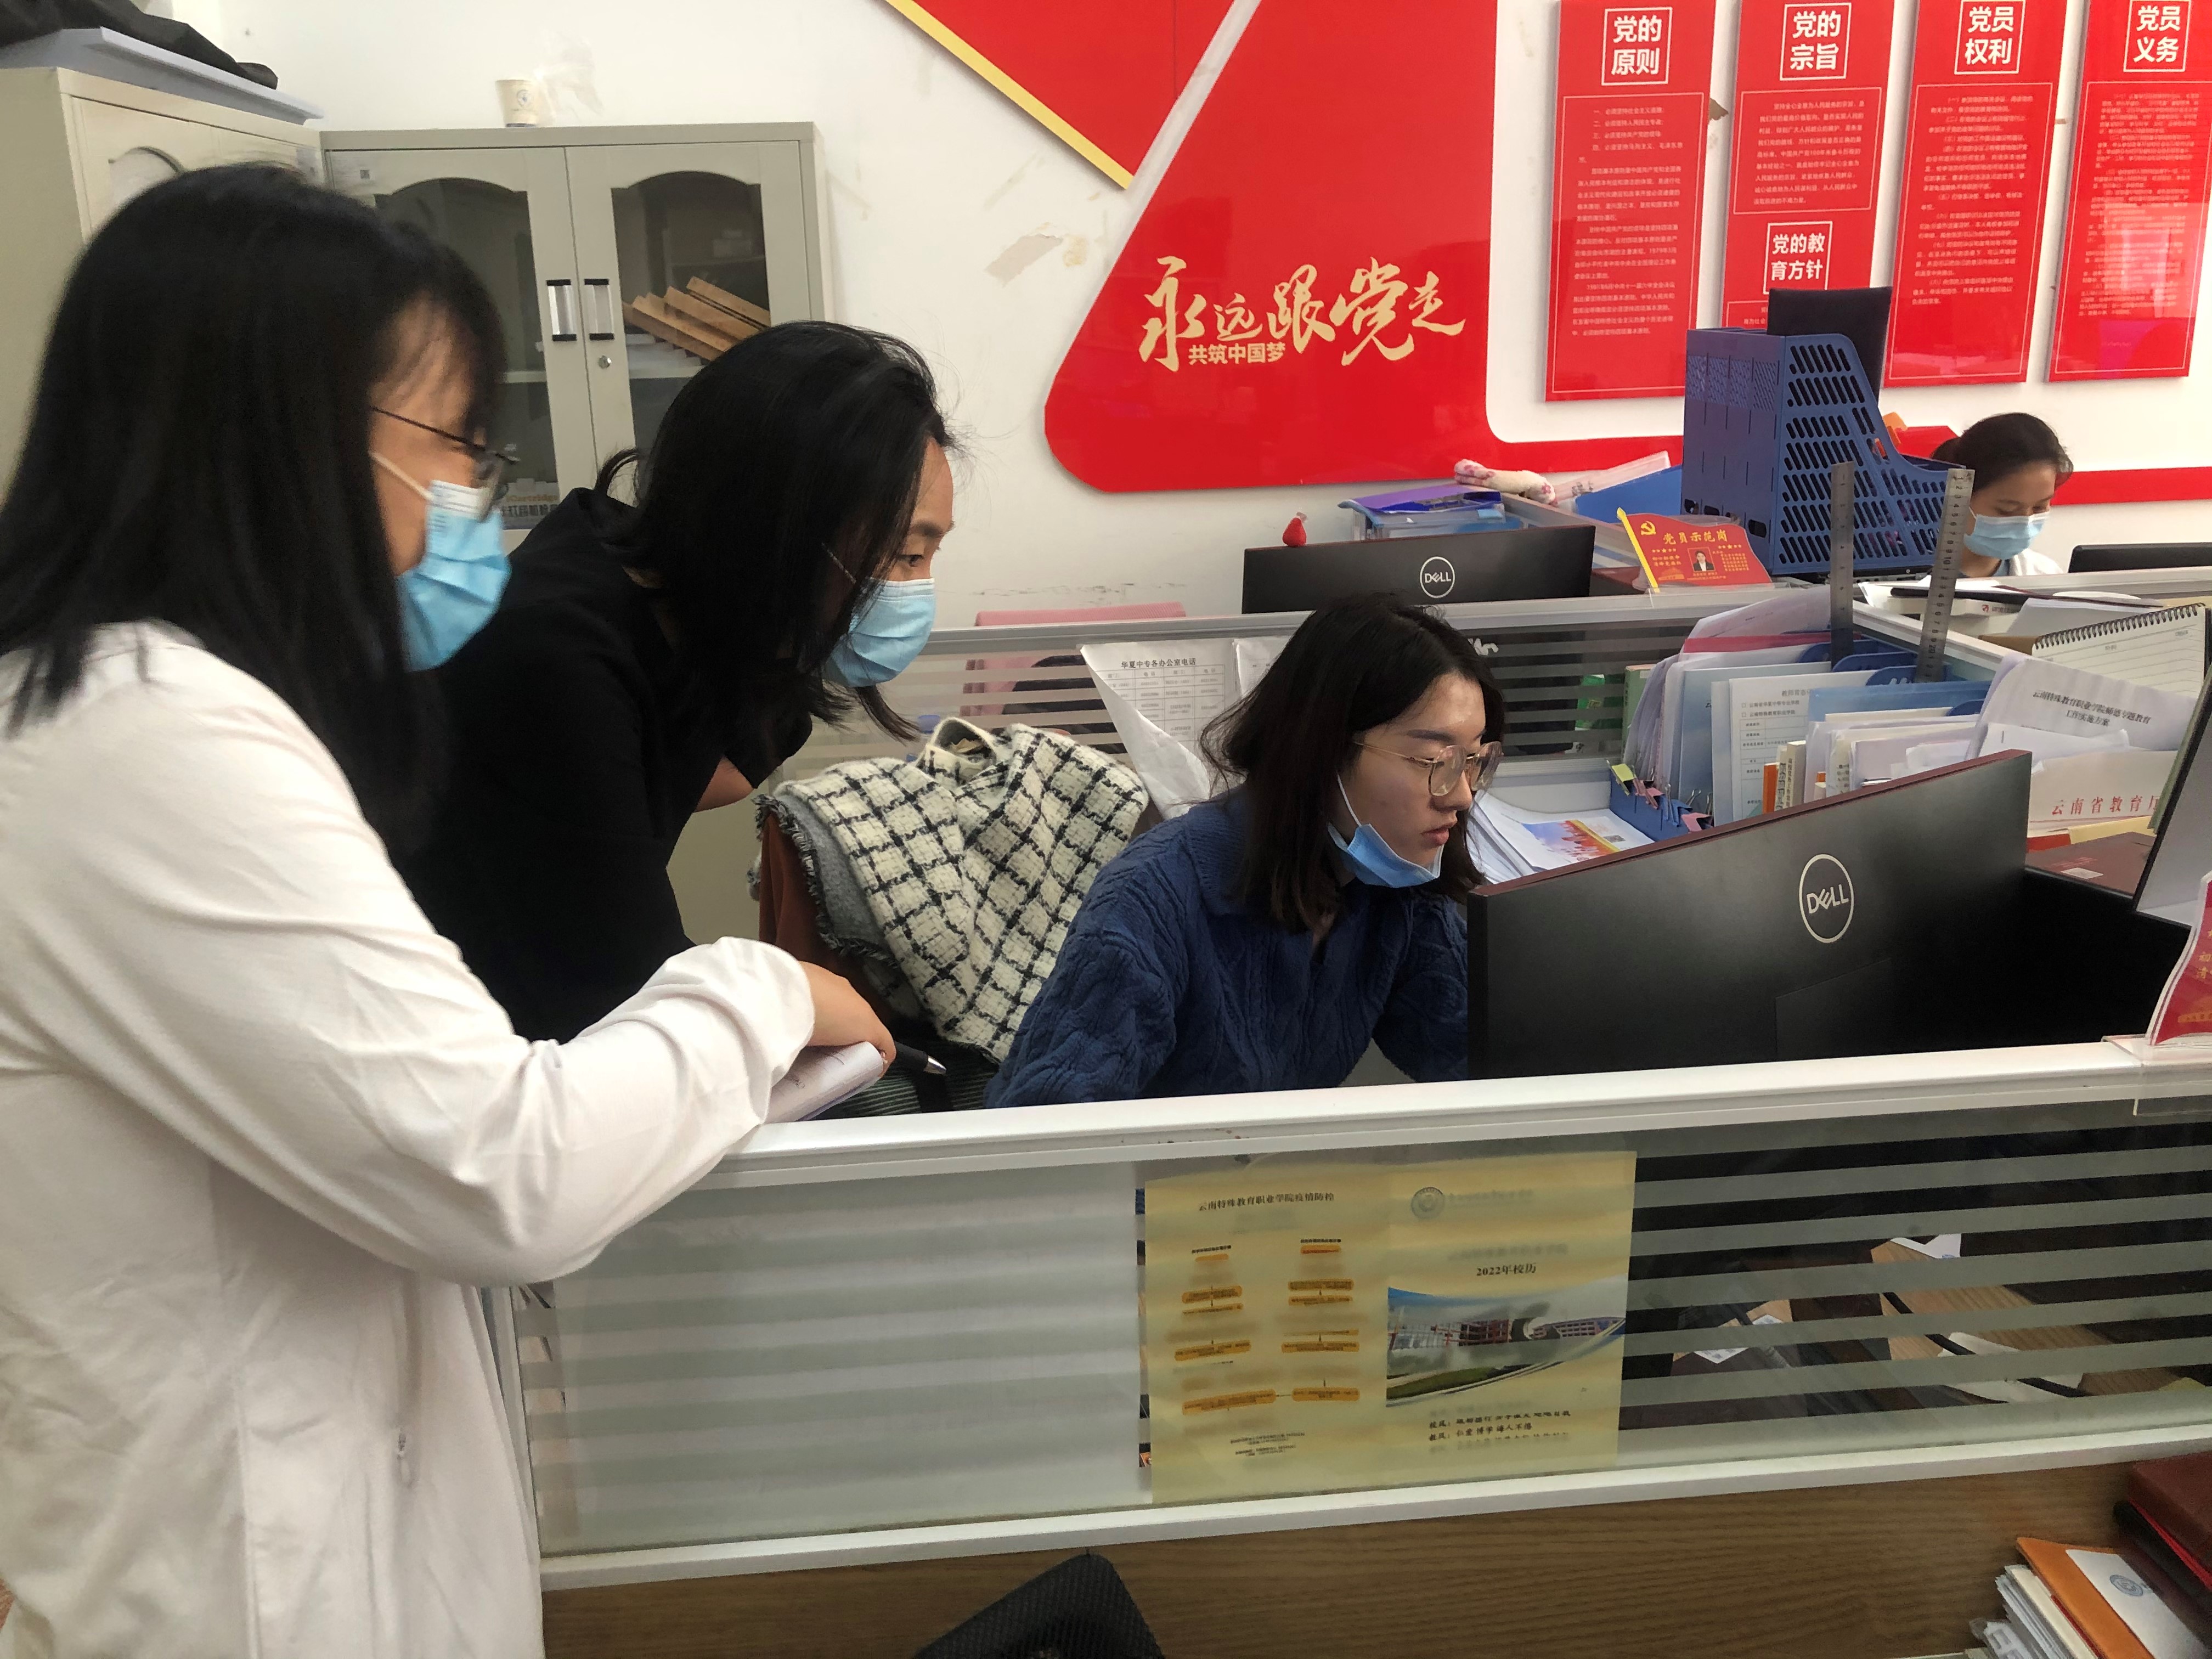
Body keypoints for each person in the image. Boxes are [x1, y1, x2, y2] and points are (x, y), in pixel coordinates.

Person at [0, 166, 890, 1658]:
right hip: (246, 1587)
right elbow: (508, 1171)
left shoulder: (157, 713)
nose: (477, 497)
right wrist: (763, 990)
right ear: (281, 436)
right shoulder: (143, 737)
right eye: (460, 444)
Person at [397, 321, 956, 1041]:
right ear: (777, 526)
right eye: (907, 555)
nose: (917, 587)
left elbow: (719, 779)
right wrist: (786, 1002)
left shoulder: (682, 607)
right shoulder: (553, 654)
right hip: (473, 1042)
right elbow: (623, 996)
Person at [986, 597, 1500, 1107]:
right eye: (1433, 760)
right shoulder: (1152, 902)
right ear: (1322, 751)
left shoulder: (1398, 892)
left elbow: (1490, 1064)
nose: (1462, 795)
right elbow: (1044, 1131)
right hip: (1156, 1165)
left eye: (1475, 758)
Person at [1932, 413, 2072, 577]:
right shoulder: (1910, 578)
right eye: (2007, 510)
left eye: (2039, 507)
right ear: (1957, 497)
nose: (2025, 524)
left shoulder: (2046, 574)